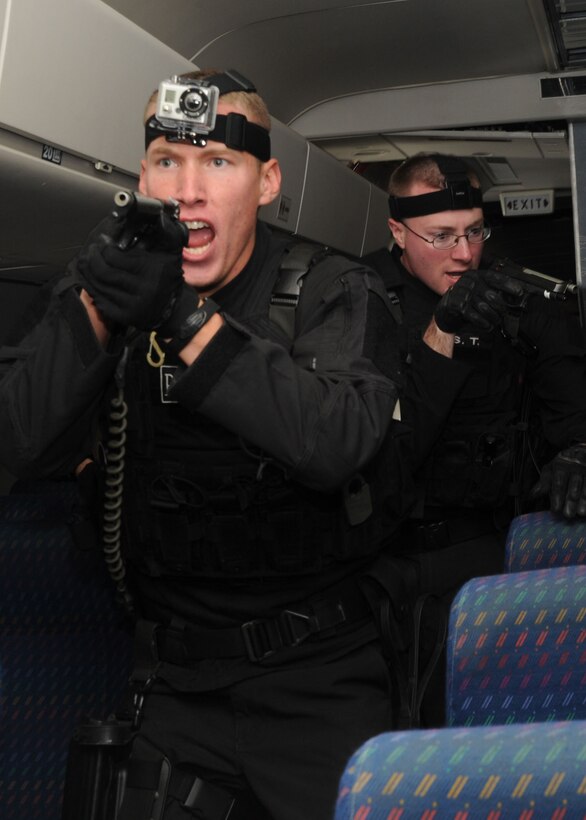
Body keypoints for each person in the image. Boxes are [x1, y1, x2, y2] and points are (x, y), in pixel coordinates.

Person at [0, 69, 412, 819]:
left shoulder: (330, 290)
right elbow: (14, 440)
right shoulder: (114, 287)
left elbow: (336, 439)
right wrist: (93, 311)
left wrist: (184, 319)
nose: (187, 189)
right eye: (167, 160)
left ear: (266, 182)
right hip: (170, 687)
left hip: (316, 681)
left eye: (218, 162)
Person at [364, 152, 586, 726]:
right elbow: (381, 445)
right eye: (441, 236)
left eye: (473, 232)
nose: (464, 254)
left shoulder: (514, 299)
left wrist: (579, 448)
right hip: (381, 555)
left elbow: (570, 400)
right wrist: (446, 333)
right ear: (397, 231)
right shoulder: (358, 301)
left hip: (483, 551)